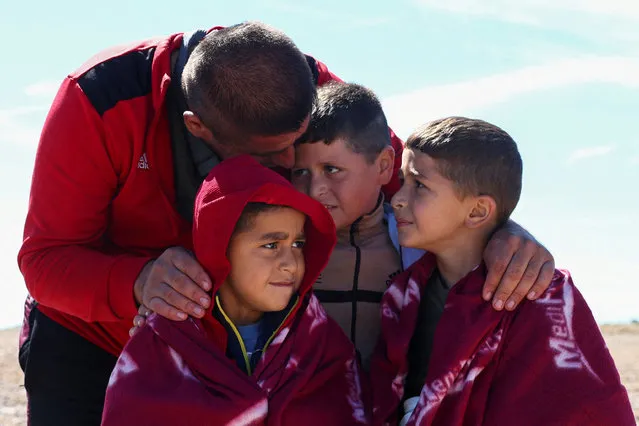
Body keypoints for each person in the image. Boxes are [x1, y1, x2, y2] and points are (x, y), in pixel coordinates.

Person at [18, 21, 548, 425]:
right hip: (91, 340)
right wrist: (139, 282)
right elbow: (44, 259)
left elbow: (419, 181)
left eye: (300, 143)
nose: (296, 168)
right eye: (277, 157)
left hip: (241, 352)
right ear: (197, 127)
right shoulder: (100, 101)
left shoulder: (303, 85)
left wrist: (504, 231)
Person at [370, 117, 635, 426]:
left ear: (478, 211)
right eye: (401, 182)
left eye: (419, 186)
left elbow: (585, 409)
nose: (398, 199)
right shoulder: (403, 297)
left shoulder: (541, 296)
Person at [290, 82, 553, 369]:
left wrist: (508, 231)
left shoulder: (421, 246)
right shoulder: (283, 245)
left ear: (383, 166)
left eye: (332, 170)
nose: (314, 190)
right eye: (300, 172)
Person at [101, 155, 369, 426]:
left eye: (298, 245)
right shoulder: (164, 345)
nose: (291, 264)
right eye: (271, 245)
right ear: (221, 251)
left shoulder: (320, 344)